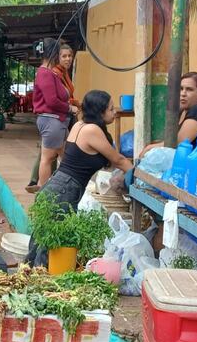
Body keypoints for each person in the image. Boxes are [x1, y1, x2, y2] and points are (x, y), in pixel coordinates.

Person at [26, 90, 133, 267]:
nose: (115, 112)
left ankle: (31, 273)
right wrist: (138, 175)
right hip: (65, 189)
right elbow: (119, 160)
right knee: (51, 245)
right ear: (99, 112)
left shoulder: (80, 125)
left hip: (57, 185)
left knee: (41, 240)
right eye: (111, 109)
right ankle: (40, 275)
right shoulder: (92, 130)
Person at [27, 42, 81, 192]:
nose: (63, 58)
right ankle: (45, 193)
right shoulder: (45, 73)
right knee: (48, 158)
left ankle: (58, 188)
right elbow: (51, 101)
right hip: (52, 120)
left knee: (65, 157)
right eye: (60, 54)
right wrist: (69, 108)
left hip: (57, 121)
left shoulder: (50, 73)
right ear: (53, 54)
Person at [140, 72, 197, 156]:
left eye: (189, 89)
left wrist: (149, 148)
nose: (183, 93)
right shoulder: (183, 111)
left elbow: (179, 143)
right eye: (181, 89)